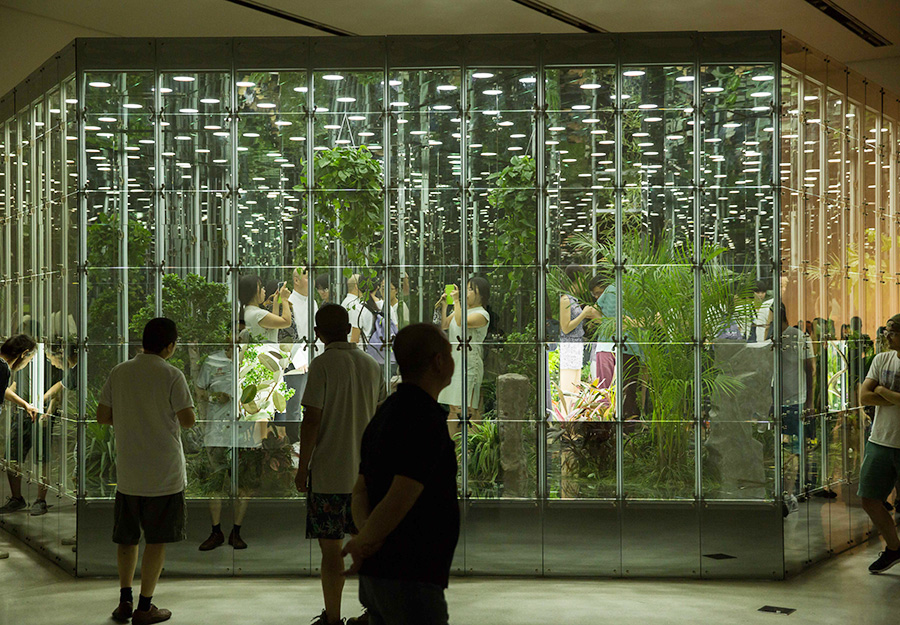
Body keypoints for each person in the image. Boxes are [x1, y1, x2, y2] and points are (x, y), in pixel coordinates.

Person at [343, 323, 458, 625]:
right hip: (410, 575)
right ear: (438, 361)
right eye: (449, 352)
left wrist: (367, 537)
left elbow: (360, 490)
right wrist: (366, 539)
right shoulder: (425, 420)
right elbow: (402, 493)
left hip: (379, 574)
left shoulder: (386, 412)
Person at [96, 318, 195, 625]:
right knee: (156, 540)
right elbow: (189, 419)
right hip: (164, 473)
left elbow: (102, 416)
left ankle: (124, 601)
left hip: (128, 472)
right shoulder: (172, 375)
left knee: (127, 539)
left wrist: (131, 420)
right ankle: (145, 607)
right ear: (170, 346)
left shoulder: (120, 371)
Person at [295, 304, 386, 625]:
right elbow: (379, 420)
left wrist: (302, 466)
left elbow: (311, 420)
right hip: (366, 477)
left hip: (328, 477)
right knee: (370, 549)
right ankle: (373, 614)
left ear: (318, 333)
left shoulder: (322, 366)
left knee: (331, 552)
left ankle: (332, 618)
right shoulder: (372, 366)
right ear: (349, 329)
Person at [195, 344, 262, 552]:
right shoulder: (213, 361)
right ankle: (216, 531)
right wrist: (214, 397)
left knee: (244, 485)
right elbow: (199, 391)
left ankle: (236, 531)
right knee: (215, 482)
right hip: (217, 431)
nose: (238, 340)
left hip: (244, 433)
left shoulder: (255, 363)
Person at [858, 313, 900, 574]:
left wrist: (882, 391)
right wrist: (894, 397)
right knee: (869, 499)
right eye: (886, 331)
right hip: (881, 440)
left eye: (892, 331)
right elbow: (864, 395)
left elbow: (874, 393)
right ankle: (894, 547)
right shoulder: (882, 359)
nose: (886, 336)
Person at [437, 277, 492, 435]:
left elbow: (461, 322)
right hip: (455, 362)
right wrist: (445, 305)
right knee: (454, 408)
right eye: (466, 289)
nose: (465, 293)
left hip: (470, 363)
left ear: (480, 295)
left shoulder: (482, 314)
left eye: (470, 290)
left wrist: (456, 301)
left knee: (469, 408)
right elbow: (445, 325)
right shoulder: (460, 309)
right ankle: (451, 448)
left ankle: (471, 449)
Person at [774, 304, 815, 513]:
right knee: (778, 450)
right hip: (775, 402)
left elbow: (810, 370)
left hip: (794, 402)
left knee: (792, 451)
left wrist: (809, 402)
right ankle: (780, 492)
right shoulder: (772, 339)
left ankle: (789, 494)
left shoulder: (798, 337)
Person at [275, 267, 320, 443]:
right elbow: (287, 336)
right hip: (295, 360)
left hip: (312, 357)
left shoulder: (313, 302)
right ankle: (293, 442)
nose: (312, 282)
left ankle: (305, 440)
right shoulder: (289, 302)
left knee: (310, 403)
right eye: (308, 278)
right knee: (293, 405)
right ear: (296, 281)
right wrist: (297, 358)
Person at [0, 335, 39, 516]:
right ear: (24, 354)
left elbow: (3, 390)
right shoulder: (3, 368)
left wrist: (24, 404)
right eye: (30, 359)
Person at [558, 265, 598, 410]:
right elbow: (566, 327)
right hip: (569, 345)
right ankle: (565, 419)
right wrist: (583, 314)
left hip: (576, 345)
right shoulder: (565, 299)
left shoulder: (573, 299)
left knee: (575, 386)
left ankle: (571, 420)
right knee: (568, 386)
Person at [238, 274, 292, 343]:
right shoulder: (258, 314)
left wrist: (276, 302)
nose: (264, 290)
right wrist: (284, 299)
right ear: (256, 291)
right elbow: (286, 322)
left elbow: (273, 326)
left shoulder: (249, 311)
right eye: (261, 287)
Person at [341, 273, 375, 347]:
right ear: (357, 286)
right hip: (357, 351)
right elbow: (354, 338)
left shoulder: (345, 303)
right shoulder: (354, 306)